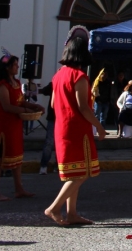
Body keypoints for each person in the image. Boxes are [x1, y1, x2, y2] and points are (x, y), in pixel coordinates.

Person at [44, 25, 106, 226]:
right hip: (77, 129)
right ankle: (54, 207)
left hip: (61, 127)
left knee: (74, 171)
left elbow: (53, 104)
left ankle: (72, 213)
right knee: (84, 172)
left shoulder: (58, 75)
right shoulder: (79, 77)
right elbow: (83, 108)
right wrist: (100, 126)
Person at [0, 55, 43, 201]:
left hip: (15, 124)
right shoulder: (2, 85)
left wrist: (34, 106)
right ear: (7, 68)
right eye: (14, 65)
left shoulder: (16, 82)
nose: (17, 67)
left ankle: (18, 189)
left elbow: (20, 102)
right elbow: (7, 106)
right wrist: (26, 111)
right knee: (0, 158)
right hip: (4, 126)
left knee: (17, 156)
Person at [38, 81, 57, 174]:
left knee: (59, 143)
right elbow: (45, 91)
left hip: (63, 118)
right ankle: (44, 165)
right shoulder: (54, 83)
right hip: (53, 117)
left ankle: (57, 165)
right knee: (49, 142)